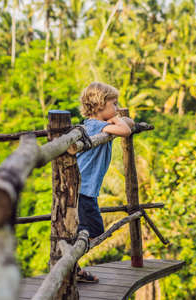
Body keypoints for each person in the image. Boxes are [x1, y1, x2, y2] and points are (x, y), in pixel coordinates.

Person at [75, 82, 132, 283]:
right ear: (100, 105)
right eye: (114, 104)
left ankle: (73, 267)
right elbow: (125, 130)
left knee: (82, 231)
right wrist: (118, 118)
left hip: (84, 190)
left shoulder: (91, 125)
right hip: (84, 191)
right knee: (93, 230)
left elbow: (125, 127)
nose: (117, 108)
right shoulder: (98, 126)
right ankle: (69, 266)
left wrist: (117, 118)